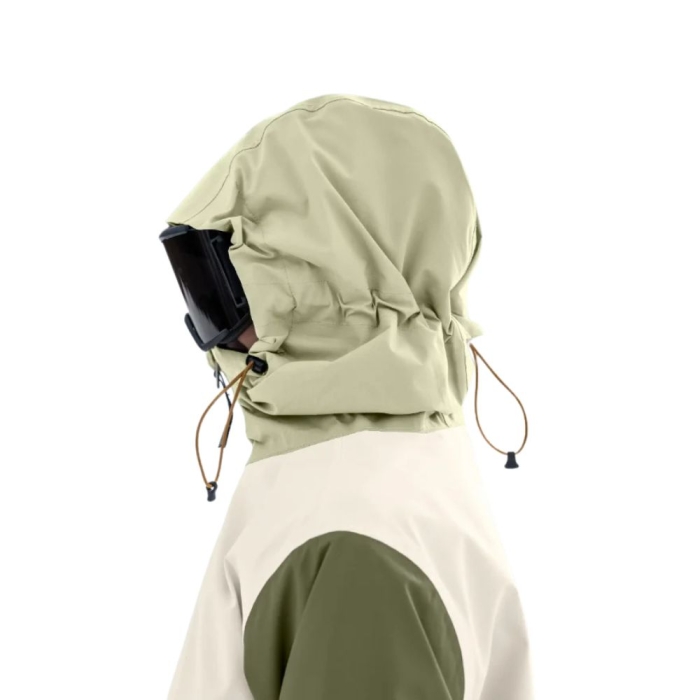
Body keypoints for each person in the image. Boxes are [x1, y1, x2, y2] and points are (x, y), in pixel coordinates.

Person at [164, 94, 534, 700]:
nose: (212, 338)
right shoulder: (386, 469)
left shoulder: (351, 534)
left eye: (215, 293)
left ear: (306, 287)